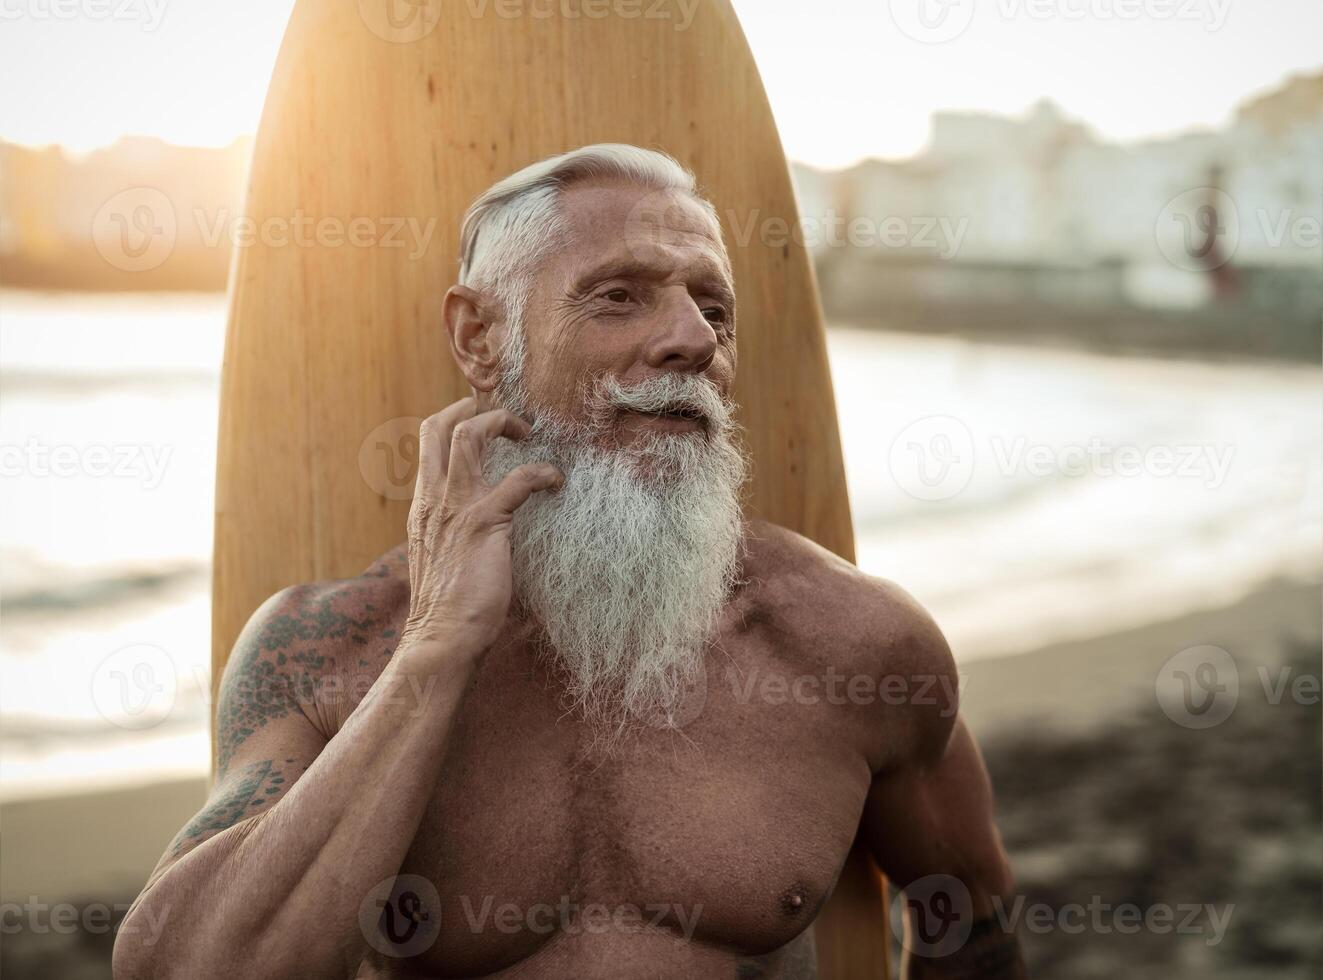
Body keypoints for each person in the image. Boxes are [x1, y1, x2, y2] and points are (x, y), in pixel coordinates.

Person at [114, 144, 1024, 979]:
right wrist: (435, 652)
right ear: (478, 339)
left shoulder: (853, 644)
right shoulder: (328, 652)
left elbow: (971, 920)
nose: (692, 340)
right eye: (618, 296)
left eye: (713, 308)